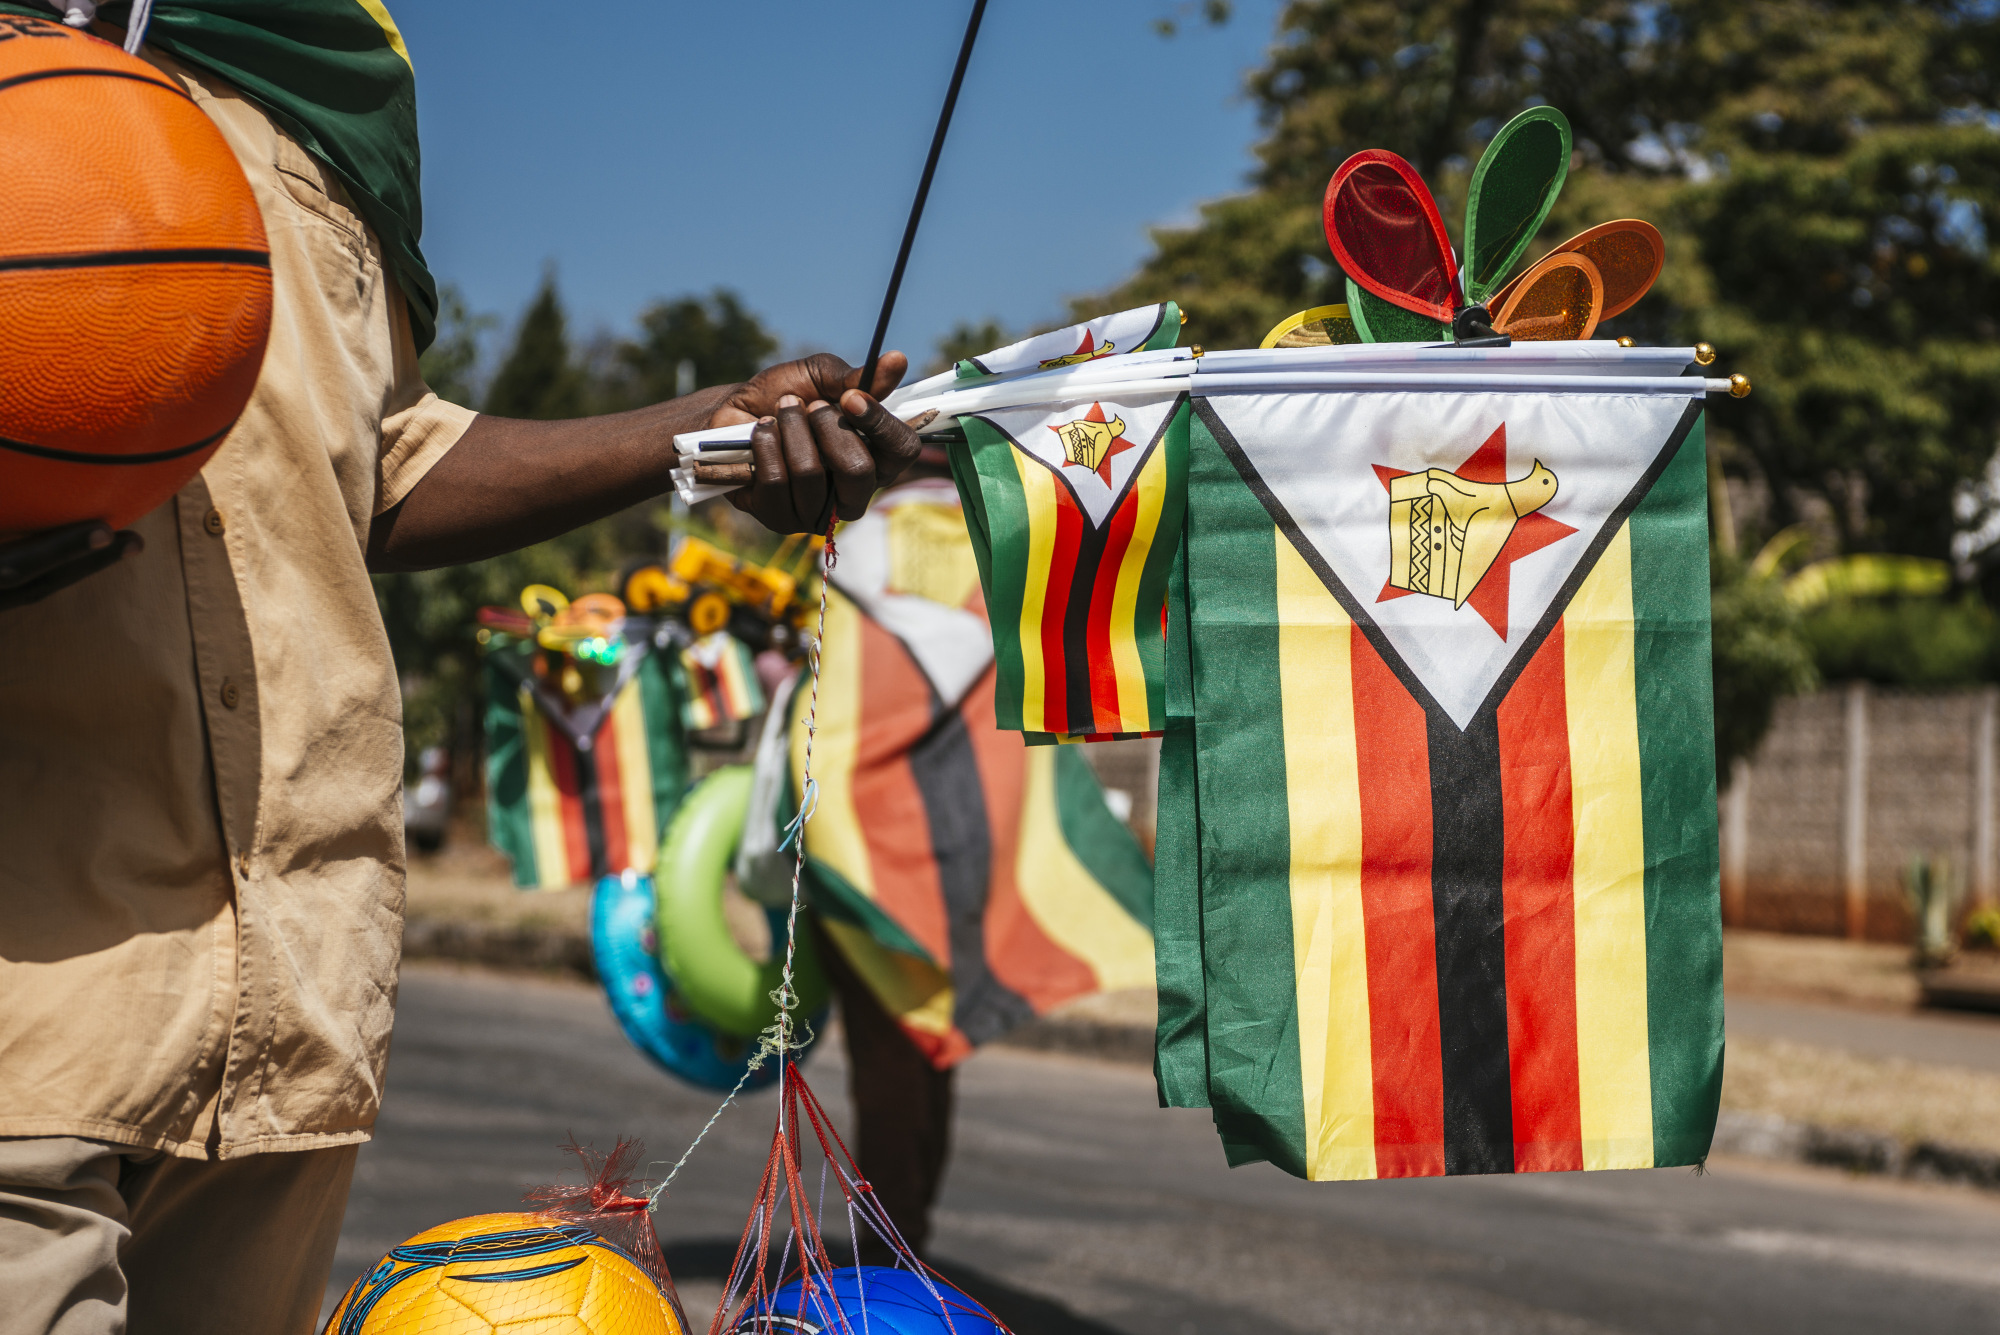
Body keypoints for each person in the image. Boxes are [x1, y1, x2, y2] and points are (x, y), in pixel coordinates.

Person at [0, 4, 918, 1331]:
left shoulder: (340, 56)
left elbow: (380, 454)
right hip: (32, 965)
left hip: (289, 998)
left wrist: (706, 432)